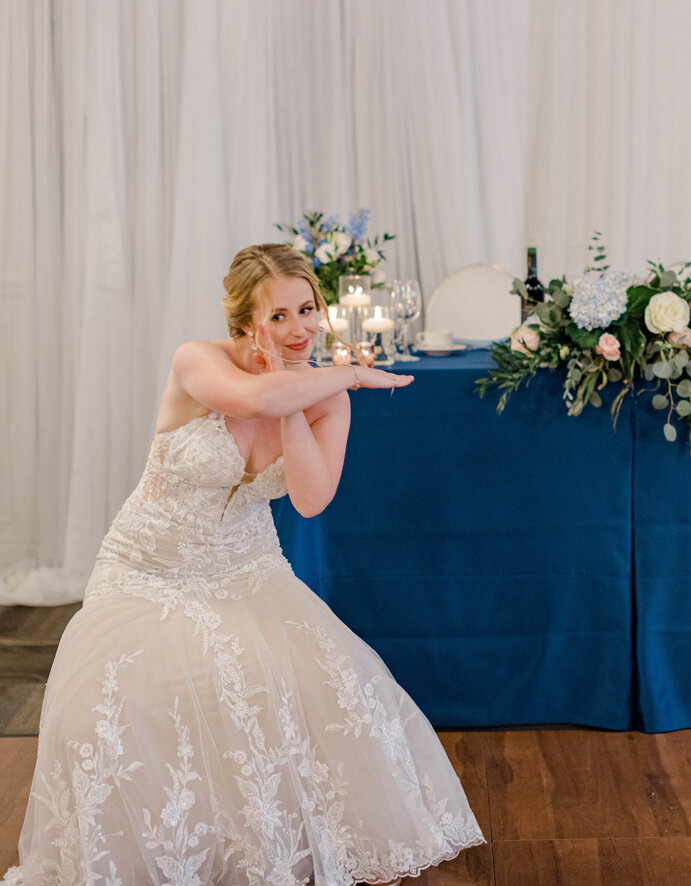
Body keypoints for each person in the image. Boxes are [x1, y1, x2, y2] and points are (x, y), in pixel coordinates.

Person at [2, 244, 484, 885]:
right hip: (147, 566)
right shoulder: (198, 362)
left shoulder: (322, 396)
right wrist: (348, 375)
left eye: (307, 309)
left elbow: (311, 500)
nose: (300, 329)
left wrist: (307, 395)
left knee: (333, 690)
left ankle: (259, 846)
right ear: (243, 321)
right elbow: (250, 400)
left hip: (245, 568)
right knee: (105, 709)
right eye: (278, 316)